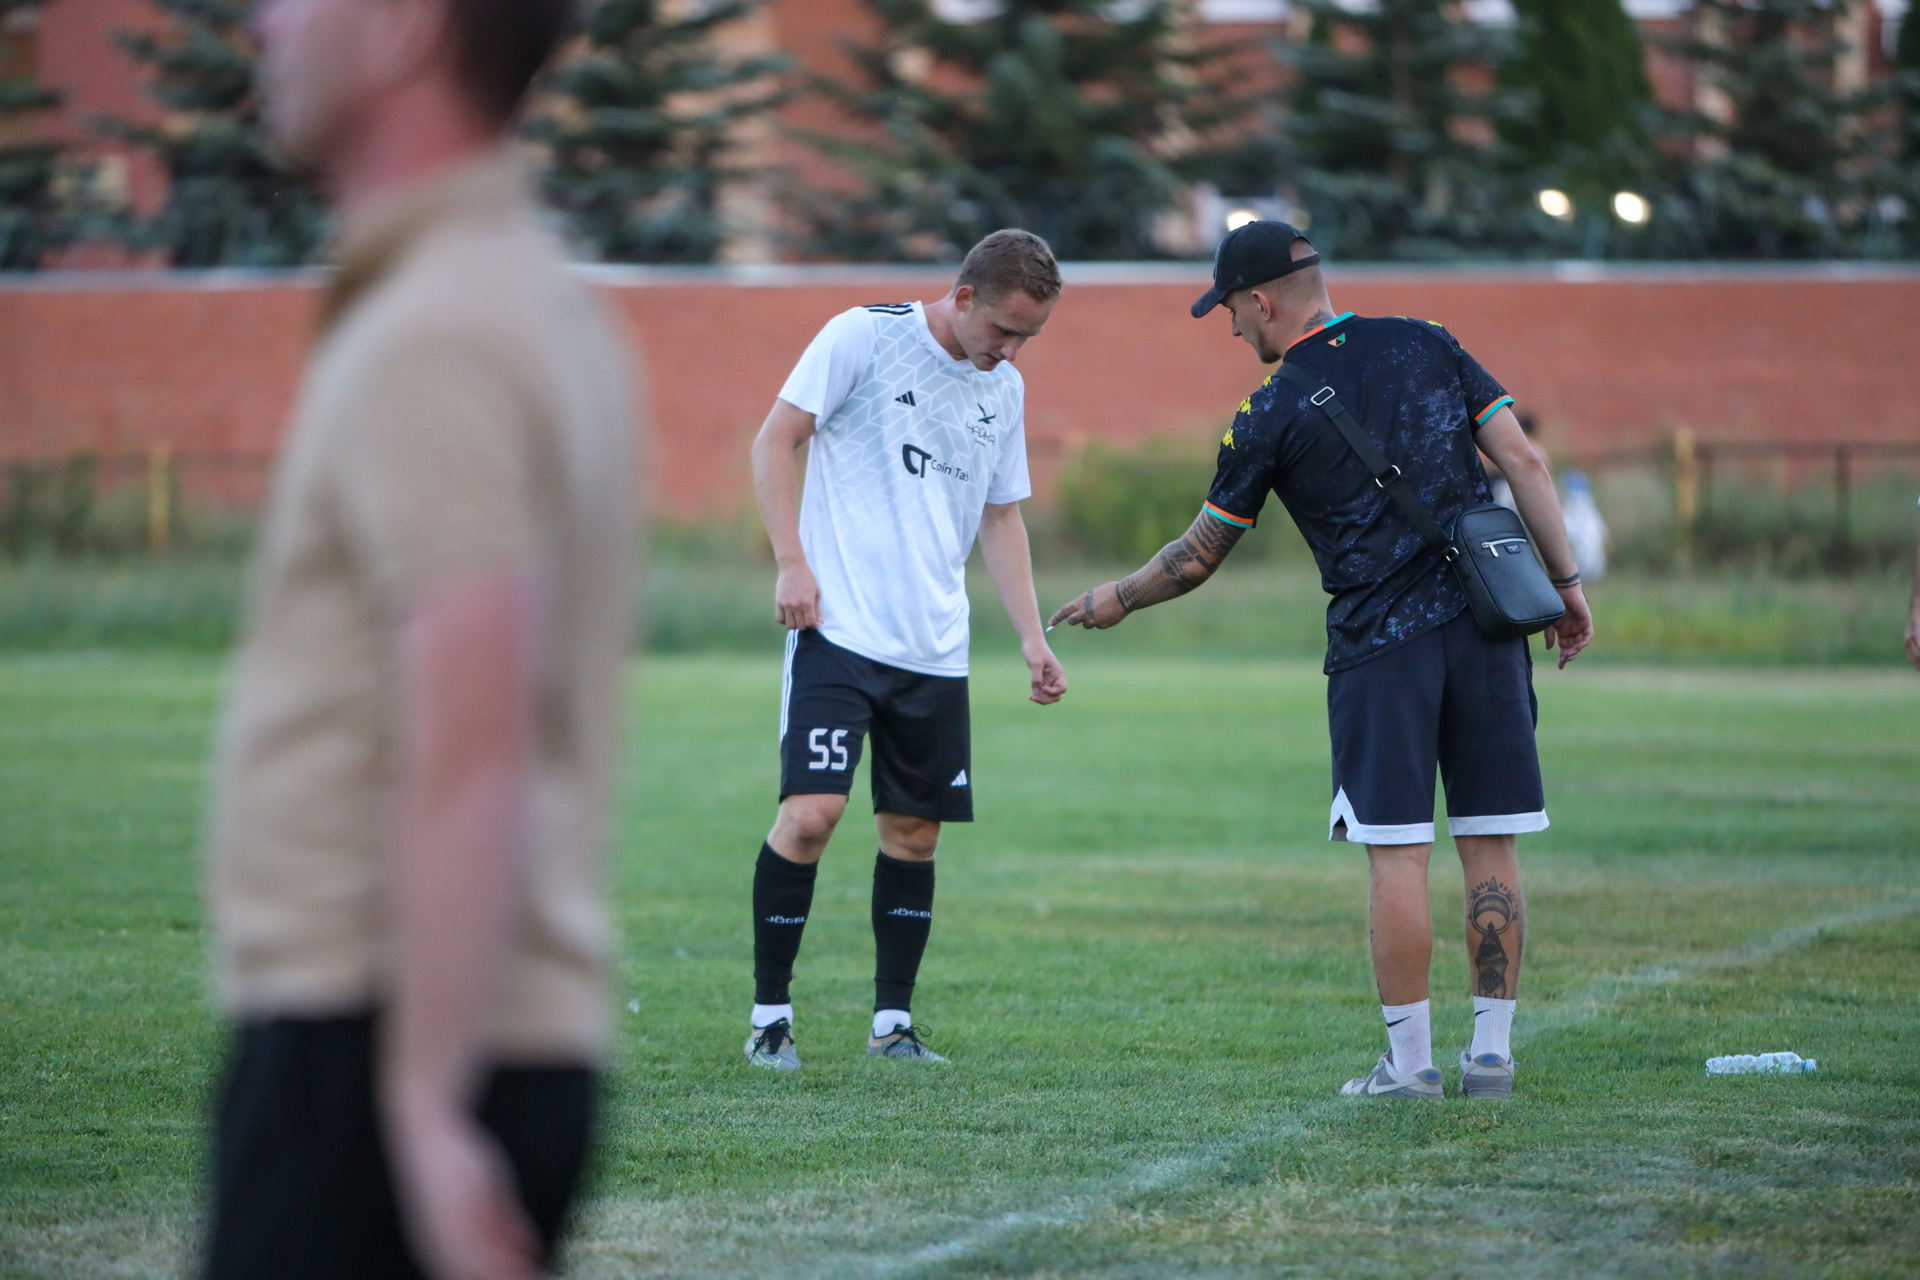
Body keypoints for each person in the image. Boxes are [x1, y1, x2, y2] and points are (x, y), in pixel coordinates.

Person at [203, 0, 634, 1276]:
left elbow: (473, 739)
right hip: (438, 1038)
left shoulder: (442, 326)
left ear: (402, 28)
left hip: (382, 1041)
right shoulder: (518, 296)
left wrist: (421, 1102)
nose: (264, 20)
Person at [1049, 221, 1593, 1101]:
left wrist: (1119, 596)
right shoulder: (1428, 342)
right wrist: (1564, 584)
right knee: (1489, 841)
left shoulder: (1269, 410)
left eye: (1230, 309)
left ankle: (1410, 1067)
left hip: (1381, 653)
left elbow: (1198, 554)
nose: (1232, 328)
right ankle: (1491, 1055)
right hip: (1488, 632)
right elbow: (1524, 460)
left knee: (1398, 855)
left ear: (1261, 300)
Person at [743, 230, 1068, 1072]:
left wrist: (1031, 636)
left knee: (915, 835)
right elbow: (774, 439)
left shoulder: (1004, 389)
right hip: (838, 632)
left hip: (935, 648)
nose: (1012, 349)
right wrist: (791, 562)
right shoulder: (862, 336)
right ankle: (770, 1017)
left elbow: (1001, 514)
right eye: (1004, 329)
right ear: (963, 298)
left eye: (1029, 336)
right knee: (810, 816)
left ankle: (893, 1025)